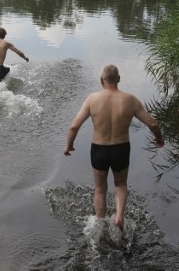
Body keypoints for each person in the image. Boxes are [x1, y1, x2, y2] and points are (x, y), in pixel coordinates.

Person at [63, 64, 163, 230]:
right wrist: (159, 138)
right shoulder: (130, 99)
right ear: (118, 79)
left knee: (100, 189)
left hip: (99, 149)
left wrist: (69, 146)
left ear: (101, 80)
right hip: (121, 149)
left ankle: (100, 224)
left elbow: (74, 126)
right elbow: (152, 123)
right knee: (121, 185)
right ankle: (118, 217)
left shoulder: (92, 99)